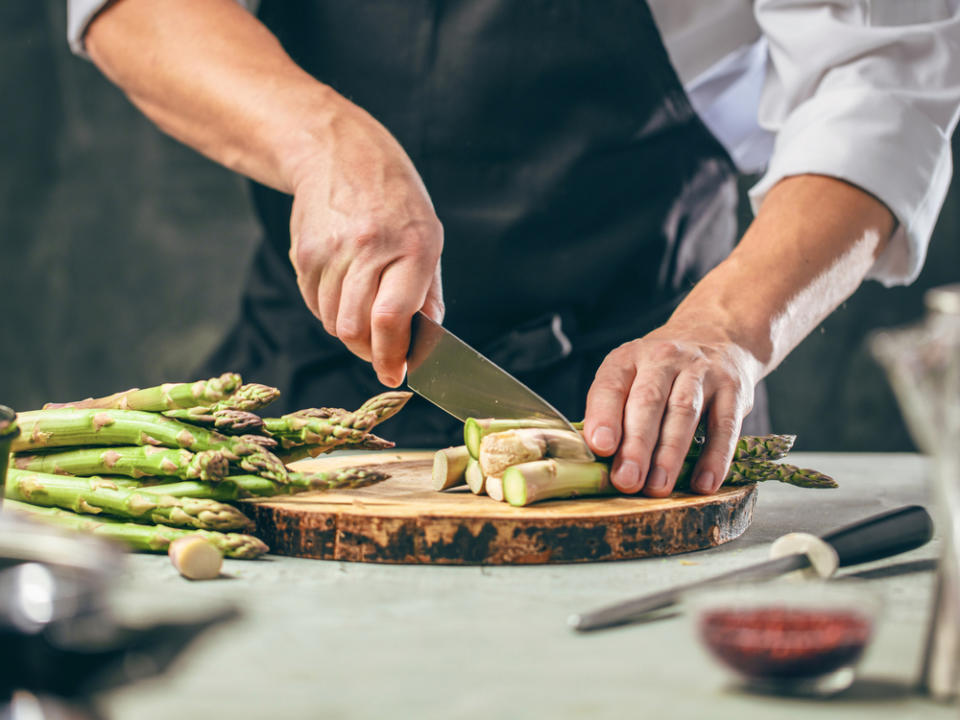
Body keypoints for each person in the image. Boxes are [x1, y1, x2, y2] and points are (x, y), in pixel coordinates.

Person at [67, 0, 960, 498]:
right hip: (305, 402)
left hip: (643, 426)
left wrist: (727, 330)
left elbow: (882, 82)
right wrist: (322, 142)